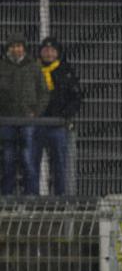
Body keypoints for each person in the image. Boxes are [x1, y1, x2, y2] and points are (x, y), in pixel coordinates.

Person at [0, 32, 48, 195]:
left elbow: (44, 92)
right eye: (13, 46)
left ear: (24, 48)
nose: (16, 49)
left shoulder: (34, 66)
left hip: (28, 120)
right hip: (6, 121)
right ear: (8, 49)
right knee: (8, 160)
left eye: (19, 46)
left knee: (28, 159)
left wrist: (36, 112)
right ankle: (6, 199)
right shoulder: (2, 66)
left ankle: (31, 198)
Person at [36, 37, 81, 196]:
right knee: (32, 163)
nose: (48, 53)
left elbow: (76, 97)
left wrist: (65, 115)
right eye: (45, 50)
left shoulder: (66, 71)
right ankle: (33, 200)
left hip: (58, 125)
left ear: (58, 53)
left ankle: (60, 200)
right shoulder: (33, 70)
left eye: (52, 50)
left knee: (60, 164)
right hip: (36, 124)